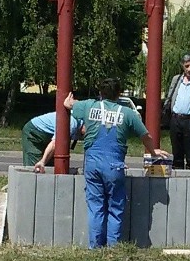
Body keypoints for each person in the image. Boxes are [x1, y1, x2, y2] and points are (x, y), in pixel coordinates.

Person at [64, 78, 169, 248]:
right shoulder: (127, 113)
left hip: (92, 164)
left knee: (96, 207)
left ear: (100, 93)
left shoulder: (89, 106)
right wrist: (153, 151)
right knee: (115, 207)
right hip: (114, 165)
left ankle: (95, 248)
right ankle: (113, 248)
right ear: (119, 94)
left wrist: (70, 100)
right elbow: (145, 135)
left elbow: (69, 104)